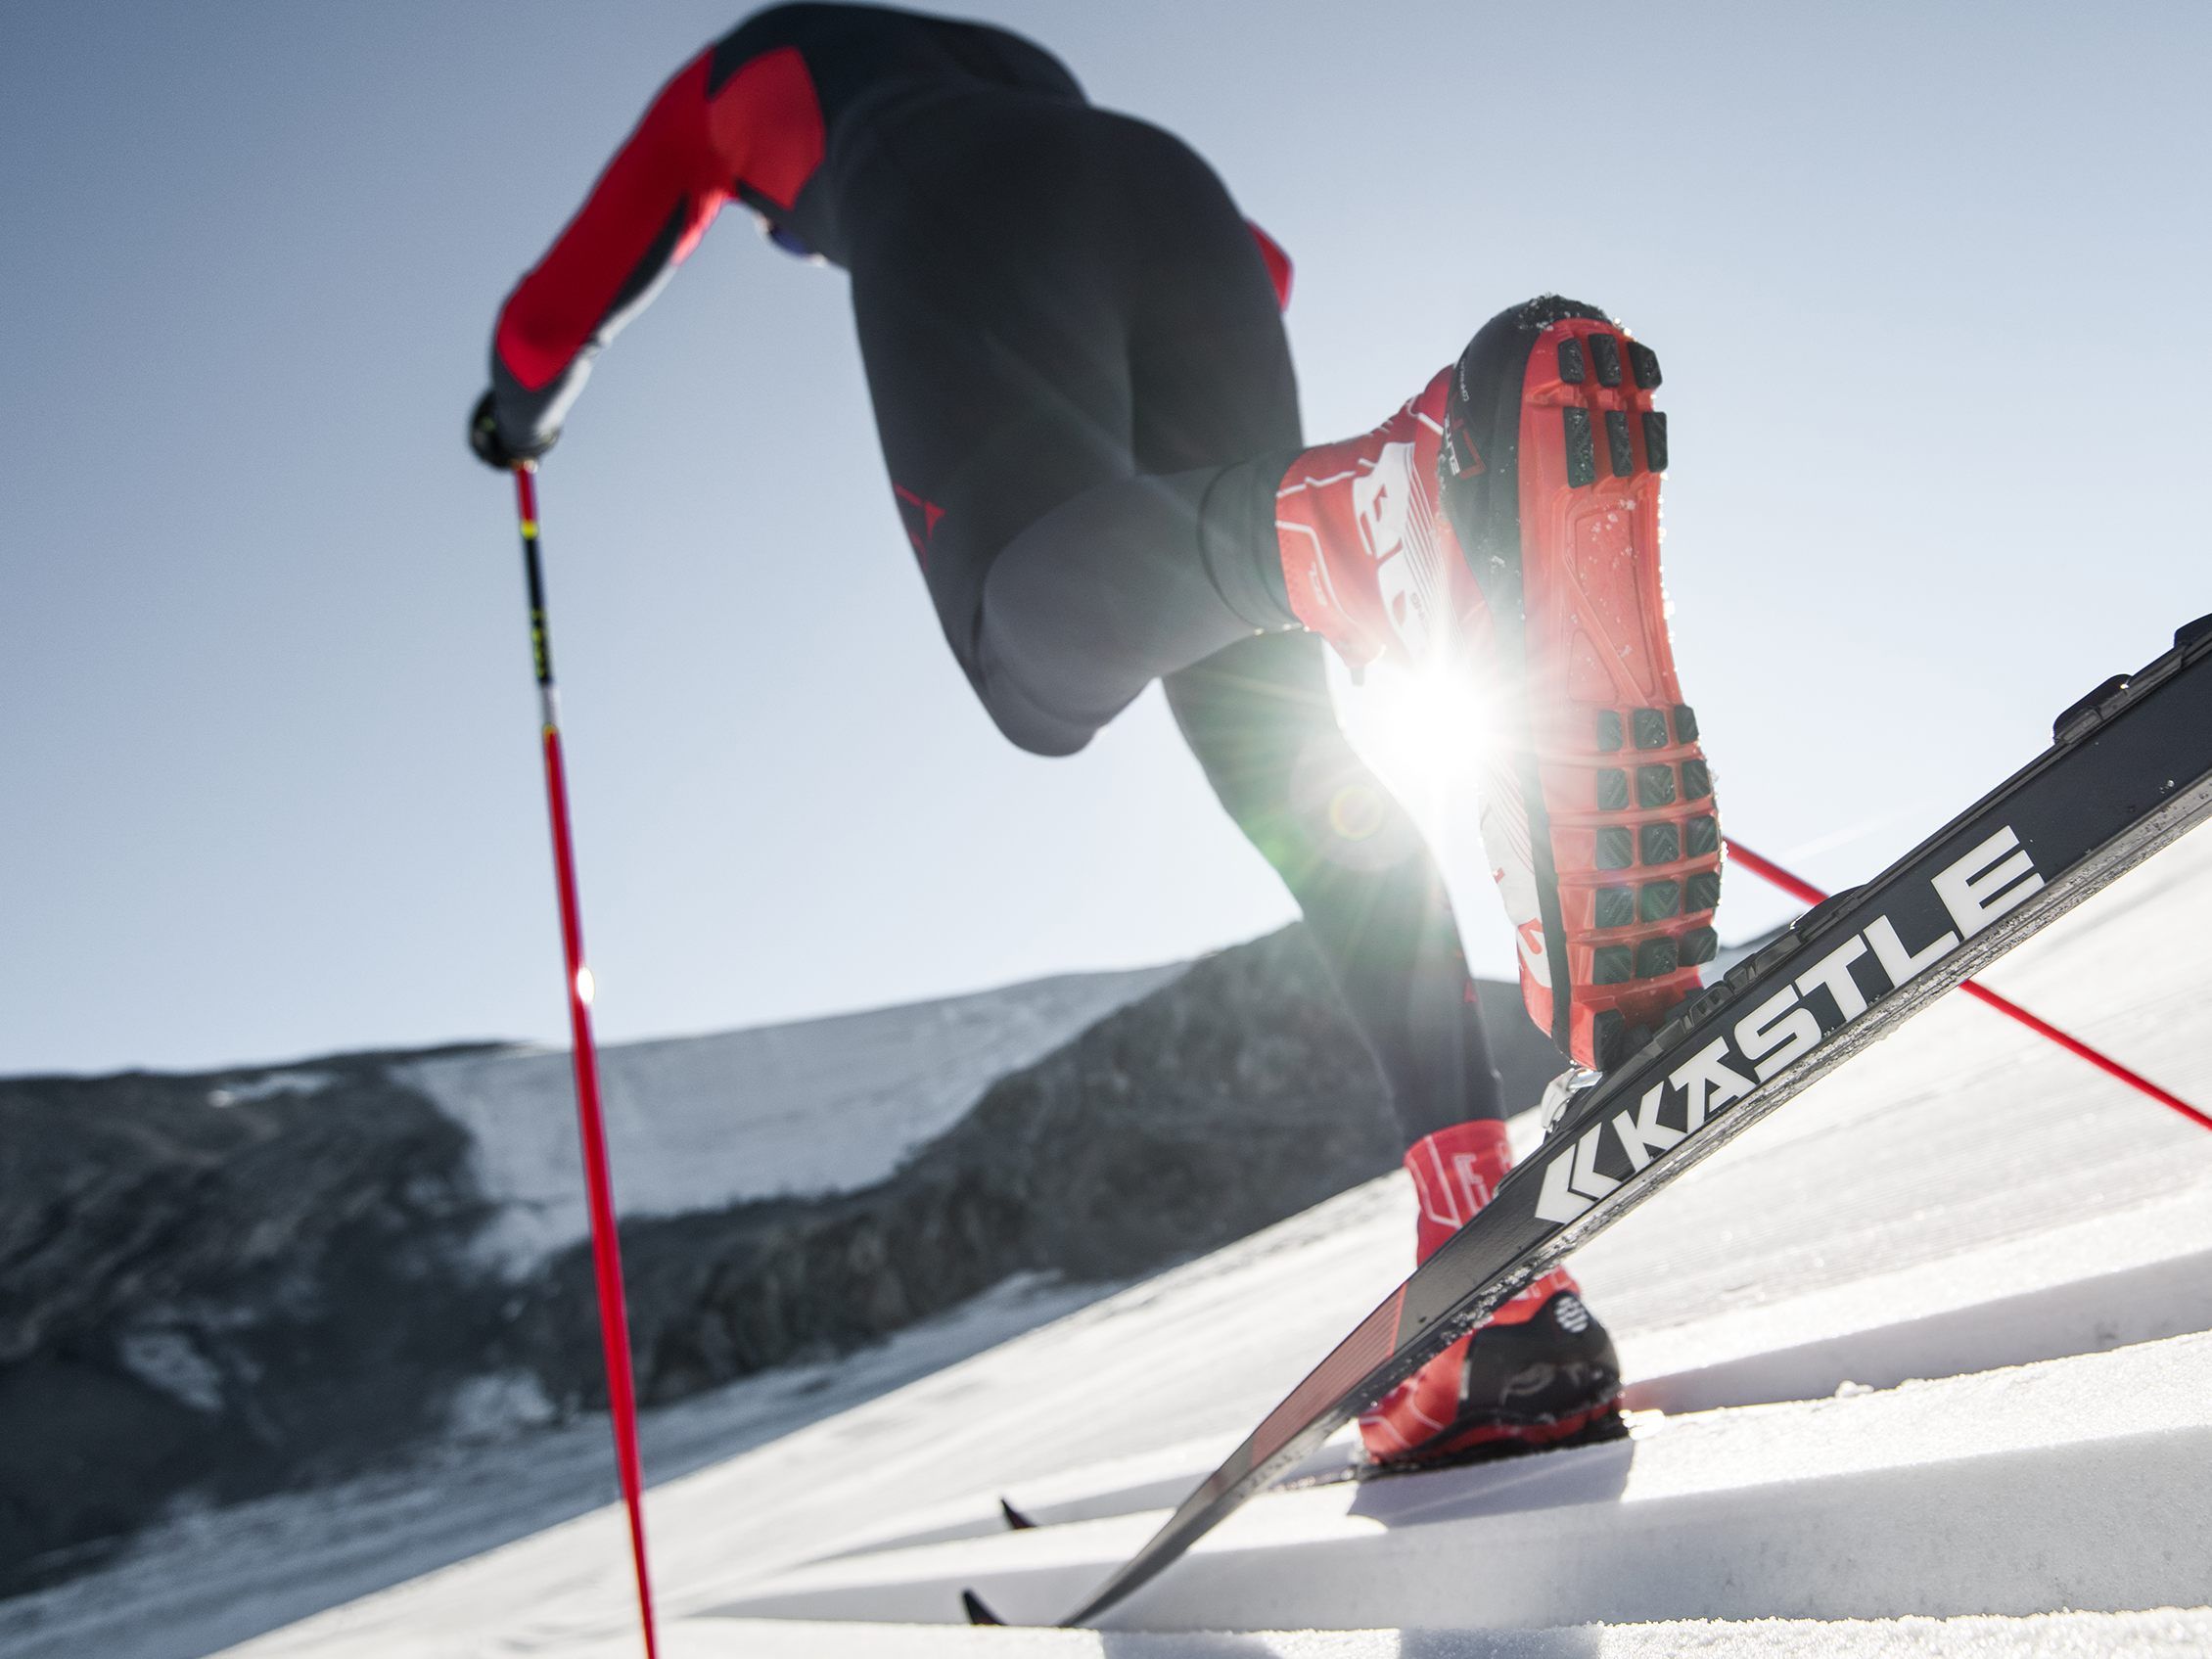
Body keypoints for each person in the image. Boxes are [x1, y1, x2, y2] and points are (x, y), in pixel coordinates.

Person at [469, 3, 1721, 1467]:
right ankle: (1490, 1279)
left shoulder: (763, 66)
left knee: (1025, 658)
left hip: (955, 201)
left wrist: (517, 417)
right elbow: (1263, 266)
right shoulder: (997, 56)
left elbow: (553, 310)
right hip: (1188, 215)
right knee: (1286, 759)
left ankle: (1377, 514)